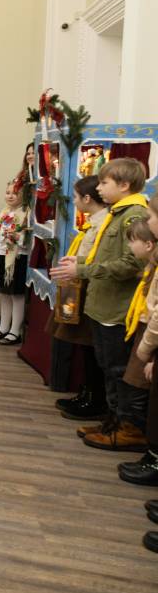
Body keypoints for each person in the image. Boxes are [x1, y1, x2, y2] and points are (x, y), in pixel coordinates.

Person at [51, 158, 149, 451]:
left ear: (124, 185)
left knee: (118, 370)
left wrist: (81, 270)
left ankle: (128, 428)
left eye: (105, 182)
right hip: (103, 304)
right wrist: (80, 261)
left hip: (116, 307)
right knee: (107, 367)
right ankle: (113, 420)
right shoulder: (117, 213)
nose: (100, 187)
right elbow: (105, 256)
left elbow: (130, 264)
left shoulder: (133, 216)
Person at [52, 176, 107, 417]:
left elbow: (98, 258)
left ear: (87, 198)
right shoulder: (94, 221)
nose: (73, 201)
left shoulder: (104, 222)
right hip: (81, 282)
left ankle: (95, 400)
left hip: (92, 286)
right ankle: (87, 393)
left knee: (91, 346)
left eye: (75, 197)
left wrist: (79, 266)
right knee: (84, 345)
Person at [123, 196, 158, 488]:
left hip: (151, 336)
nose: (149, 220)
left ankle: (150, 451)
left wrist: (148, 351)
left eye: (152, 215)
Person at [0, 181, 31, 345]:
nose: (10, 196)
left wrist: (19, 237)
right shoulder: (4, 211)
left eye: (15, 193)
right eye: (8, 192)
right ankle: (3, 327)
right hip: (1, 255)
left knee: (16, 296)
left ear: (23, 195)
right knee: (4, 294)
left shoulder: (27, 214)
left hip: (16, 259)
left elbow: (30, 238)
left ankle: (15, 331)